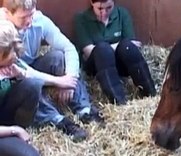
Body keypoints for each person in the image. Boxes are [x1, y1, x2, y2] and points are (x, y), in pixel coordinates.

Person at [0, 0, 104, 142]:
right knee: (31, 85)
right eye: (23, 17)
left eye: (31, 14)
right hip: (14, 78)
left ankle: (84, 110)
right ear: (7, 13)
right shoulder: (4, 31)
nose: (29, 21)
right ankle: (59, 121)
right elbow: (24, 70)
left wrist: (70, 79)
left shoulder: (39, 20)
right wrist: (60, 82)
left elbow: (68, 47)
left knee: (58, 57)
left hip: (31, 67)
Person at [74, 0, 156, 105]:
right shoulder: (82, 18)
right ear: (91, 3)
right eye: (99, 8)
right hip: (97, 65)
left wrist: (120, 45)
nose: (104, 12)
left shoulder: (122, 14)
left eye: (109, 8)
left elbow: (131, 45)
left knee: (127, 47)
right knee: (103, 49)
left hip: (119, 63)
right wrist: (116, 45)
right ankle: (119, 103)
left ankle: (151, 95)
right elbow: (88, 51)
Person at [0, 19, 42, 156]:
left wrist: (19, 75)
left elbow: (31, 78)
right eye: (3, 64)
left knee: (32, 85)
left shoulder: (10, 57)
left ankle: (19, 135)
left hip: (4, 116)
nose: (8, 67)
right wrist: (13, 130)